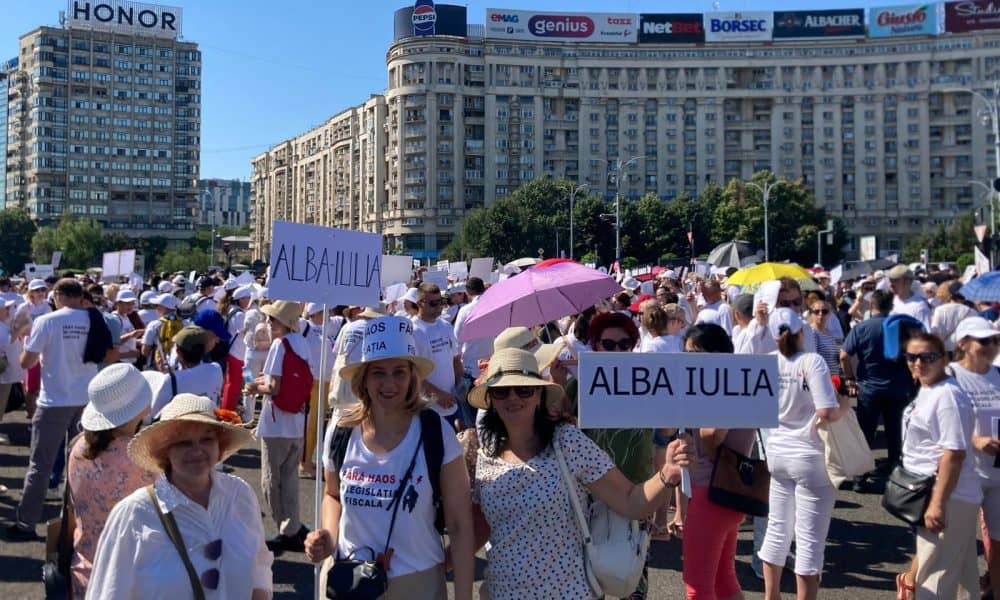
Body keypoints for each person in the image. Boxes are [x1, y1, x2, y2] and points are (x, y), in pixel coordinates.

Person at [469, 347, 691, 600]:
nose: (513, 398)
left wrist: (666, 475)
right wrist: (433, 564)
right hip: (502, 592)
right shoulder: (485, 453)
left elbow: (630, 501)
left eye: (523, 389)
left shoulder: (566, 442)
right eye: (501, 391)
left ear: (539, 394)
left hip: (568, 592)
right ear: (491, 398)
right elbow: (478, 529)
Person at [305, 316, 474, 600]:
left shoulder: (435, 432)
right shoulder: (341, 431)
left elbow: (459, 525)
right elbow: (332, 495)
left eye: (399, 372)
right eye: (378, 373)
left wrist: (464, 596)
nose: (389, 383)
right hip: (348, 580)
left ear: (412, 377)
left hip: (416, 582)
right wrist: (327, 538)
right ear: (364, 379)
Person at [86, 393, 271, 599]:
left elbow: (260, 565)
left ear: (220, 445)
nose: (197, 450)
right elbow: (107, 593)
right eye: (183, 443)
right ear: (164, 452)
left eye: (207, 439)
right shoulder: (133, 514)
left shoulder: (240, 495)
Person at [5, 279, 110, 541]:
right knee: (85, 463)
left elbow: (27, 361)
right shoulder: (94, 319)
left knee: (40, 466)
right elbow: (107, 355)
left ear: (59, 295)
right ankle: (83, 524)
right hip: (86, 401)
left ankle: (27, 523)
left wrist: (24, 341)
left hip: (54, 402)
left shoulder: (48, 321)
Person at [759, 308, 850, 600]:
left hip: (777, 452)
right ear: (802, 332)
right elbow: (826, 411)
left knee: (777, 530)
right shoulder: (813, 361)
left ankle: (771, 596)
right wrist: (845, 405)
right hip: (809, 454)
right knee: (810, 542)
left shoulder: (768, 363)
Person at [895, 333, 980, 600]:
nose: (918, 363)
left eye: (927, 356)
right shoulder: (929, 388)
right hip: (935, 491)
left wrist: (938, 503)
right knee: (963, 575)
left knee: (935, 577)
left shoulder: (948, 397)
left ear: (944, 358)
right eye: (912, 357)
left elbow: (954, 453)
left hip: (948, 495)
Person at [67, 364, 157, 599]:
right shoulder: (145, 459)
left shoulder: (79, 446)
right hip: (132, 581)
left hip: (85, 573)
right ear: (142, 407)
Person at [682, 324, 755, 600]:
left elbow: (712, 436)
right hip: (729, 490)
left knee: (697, 585)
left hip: (712, 491)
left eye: (696, 354)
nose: (690, 361)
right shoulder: (739, 383)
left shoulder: (721, 386)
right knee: (724, 578)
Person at [244, 300, 311, 554]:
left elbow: (273, 388)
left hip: (276, 422)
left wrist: (252, 387)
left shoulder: (279, 344)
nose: (269, 324)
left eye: (273, 320)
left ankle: (286, 529)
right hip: (296, 420)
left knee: (271, 480)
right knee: (290, 477)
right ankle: (292, 524)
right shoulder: (301, 342)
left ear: (284, 323)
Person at [840, 289, 916, 490]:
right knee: (895, 432)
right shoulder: (902, 327)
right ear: (891, 306)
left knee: (865, 433)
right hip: (899, 387)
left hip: (869, 388)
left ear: (871, 306)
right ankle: (895, 473)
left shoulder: (862, 328)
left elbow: (844, 355)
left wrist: (849, 379)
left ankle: (860, 477)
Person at [948, 318, 1000, 597]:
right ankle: (912, 580)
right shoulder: (949, 376)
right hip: (964, 474)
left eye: (995, 340)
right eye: (984, 341)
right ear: (963, 343)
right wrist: (975, 440)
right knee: (956, 545)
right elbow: (933, 427)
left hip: (997, 474)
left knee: (998, 544)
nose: (991, 346)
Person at [411, 283, 463, 427]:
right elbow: (412, 373)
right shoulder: (412, 331)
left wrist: (460, 386)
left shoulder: (446, 326)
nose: (439, 306)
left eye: (441, 301)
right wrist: (438, 395)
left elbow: (455, 359)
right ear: (420, 303)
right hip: (428, 408)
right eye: (434, 303)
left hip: (452, 405)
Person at [150, 326, 224, 417]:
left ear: (178, 352)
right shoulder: (216, 369)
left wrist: (167, 375)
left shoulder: (171, 380)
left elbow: (152, 415)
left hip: (182, 429)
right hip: (211, 425)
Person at [220, 284, 252, 412]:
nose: (249, 300)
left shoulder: (231, 310)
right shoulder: (239, 314)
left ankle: (231, 409)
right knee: (235, 384)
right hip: (239, 356)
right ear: (241, 299)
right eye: (247, 298)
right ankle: (227, 412)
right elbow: (245, 332)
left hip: (239, 354)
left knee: (239, 383)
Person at [931, 281, 977, 356]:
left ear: (950, 294)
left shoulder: (940, 310)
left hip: (944, 349)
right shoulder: (972, 312)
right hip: (964, 350)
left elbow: (935, 331)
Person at [0, 299, 24, 446]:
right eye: (6, 308)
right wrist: (16, 332)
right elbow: (5, 343)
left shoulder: (4, 323)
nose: (8, 311)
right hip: (3, 372)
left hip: (6, 373)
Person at [888, 265, 932, 331]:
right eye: (890, 280)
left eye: (895, 281)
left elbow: (926, 335)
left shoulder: (919, 307)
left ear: (908, 281)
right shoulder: (889, 301)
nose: (890, 285)